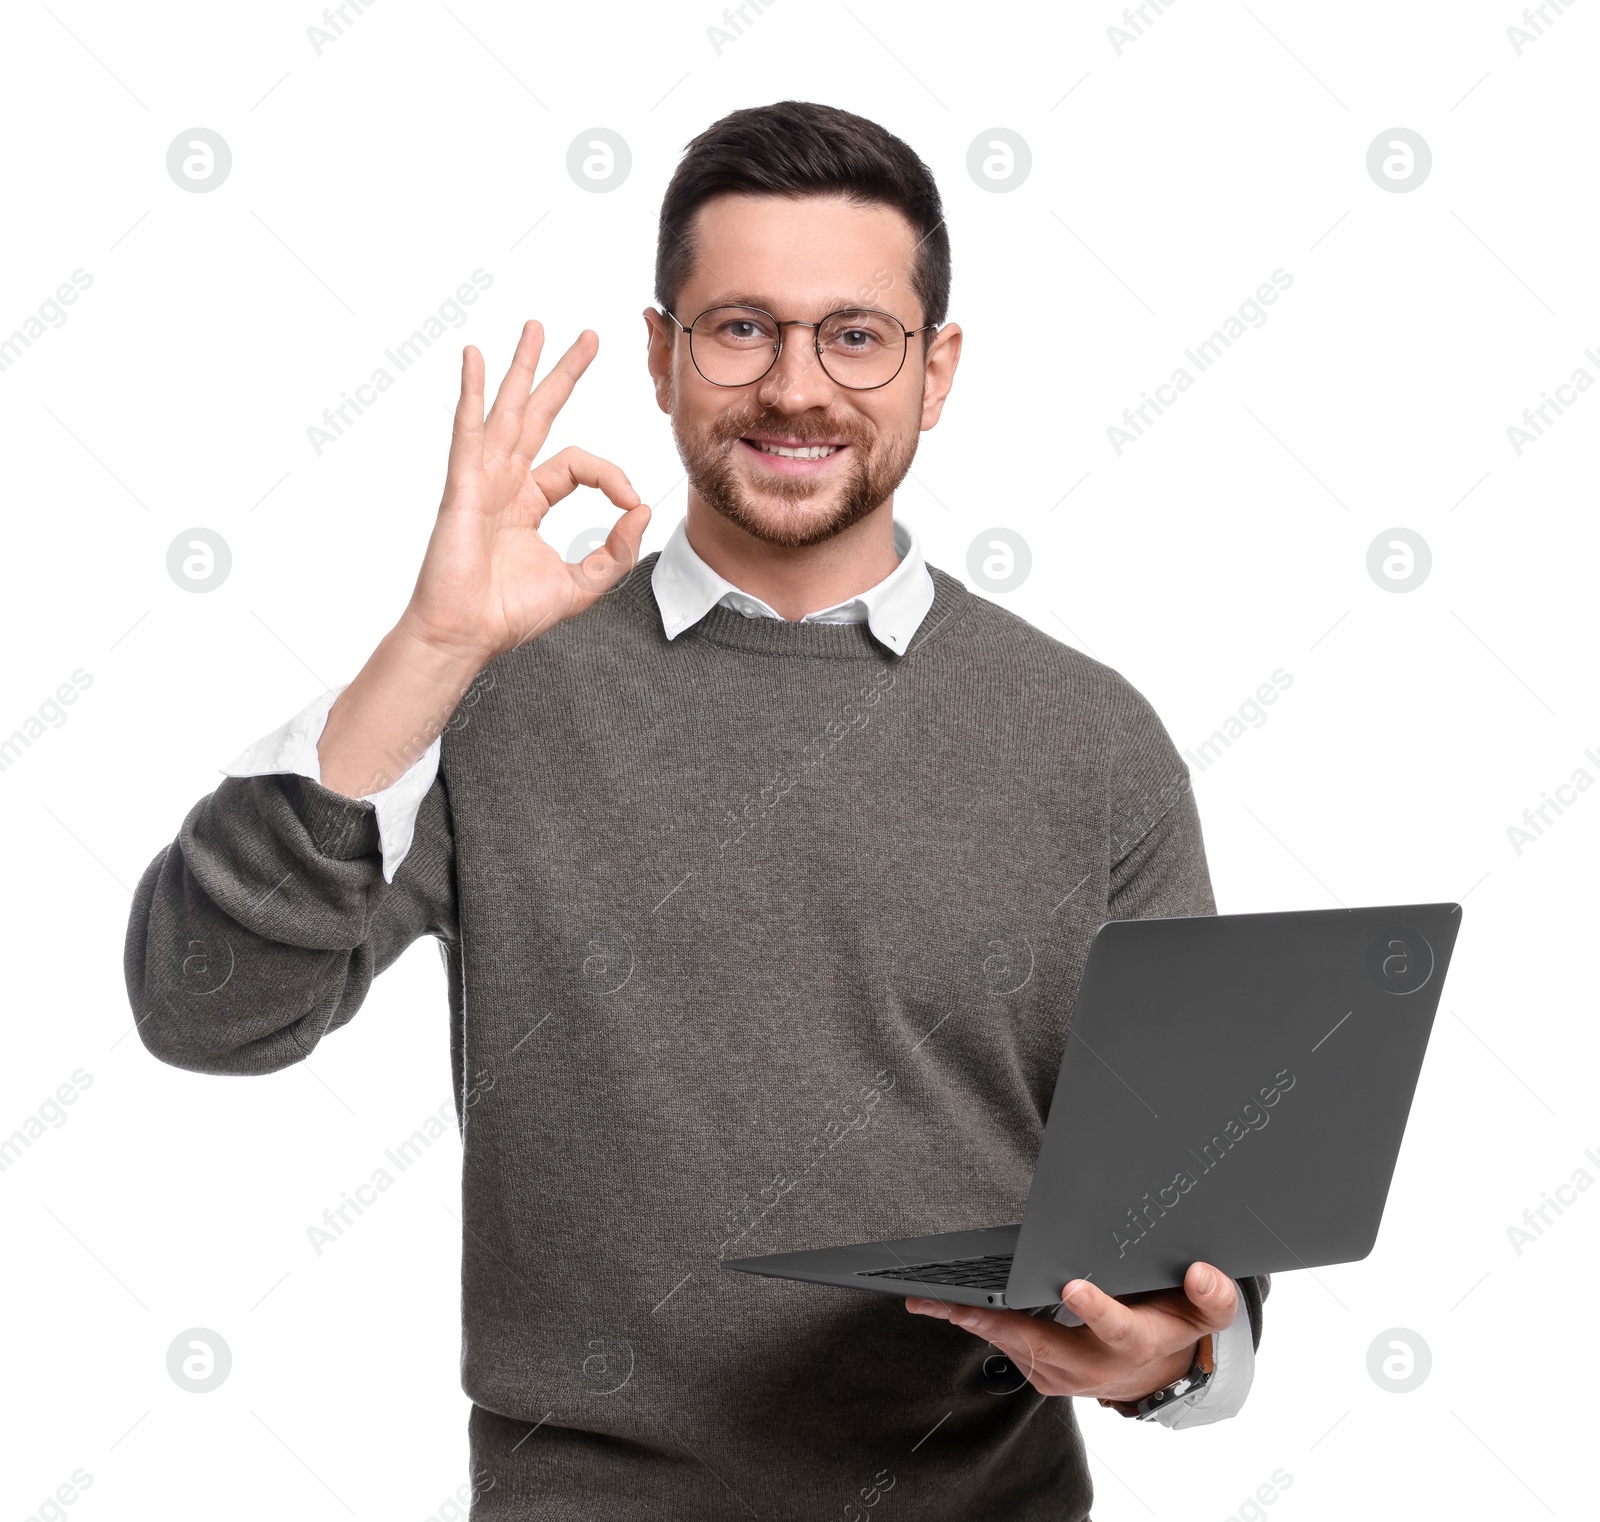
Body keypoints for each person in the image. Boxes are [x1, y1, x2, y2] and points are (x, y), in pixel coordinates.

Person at [125, 100, 1267, 1520]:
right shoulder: (492, 693)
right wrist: (428, 647)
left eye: (855, 335)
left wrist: (1172, 1359)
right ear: (662, 356)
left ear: (937, 370)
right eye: (741, 329)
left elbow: (1198, 1227)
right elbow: (204, 1004)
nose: (797, 386)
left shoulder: (1092, 739)